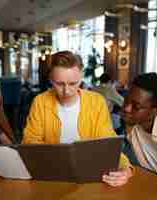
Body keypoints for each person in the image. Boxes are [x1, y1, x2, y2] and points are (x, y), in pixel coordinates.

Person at [22, 51, 133, 187]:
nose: (66, 91)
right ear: (51, 79)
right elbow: (30, 142)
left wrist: (126, 168)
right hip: (51, 175)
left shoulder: (96, 102)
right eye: (59, 83)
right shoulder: (40, 102)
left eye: (73, 83)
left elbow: (108, 143)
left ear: (81, 77)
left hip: (91, 175)